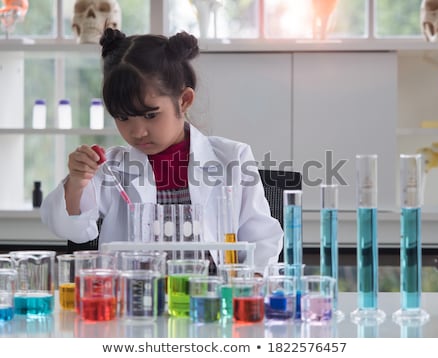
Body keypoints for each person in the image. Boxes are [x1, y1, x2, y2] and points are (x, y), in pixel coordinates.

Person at [40, 28, 282, 274]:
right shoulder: (112, 168)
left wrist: (248, 285)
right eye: (123, 117)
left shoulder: (232, 158)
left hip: (212, 299)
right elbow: (74, 231)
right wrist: (78, 182)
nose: (137, 131)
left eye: (150, 115)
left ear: (184, 100)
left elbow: (262, 237)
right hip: (136, 301)